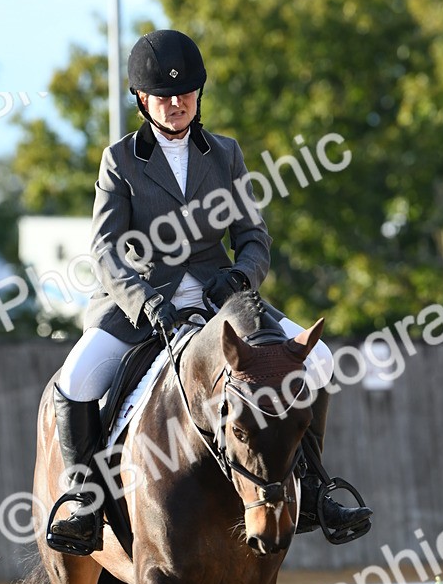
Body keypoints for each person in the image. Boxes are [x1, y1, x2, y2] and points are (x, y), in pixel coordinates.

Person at [47, 29, 372, 555]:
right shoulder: (120, 161)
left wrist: (241, 276)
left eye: (185, 94)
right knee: (79, 376)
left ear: (199, 95)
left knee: (322, 361)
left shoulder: (225, 153)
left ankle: (314, 489)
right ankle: (84, 501)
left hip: (223, 297)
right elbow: (105, 250)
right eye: (163, 96)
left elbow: (253, 236)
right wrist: (146, 301)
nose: (176, 104)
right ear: (142, 100)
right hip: (142, 298)